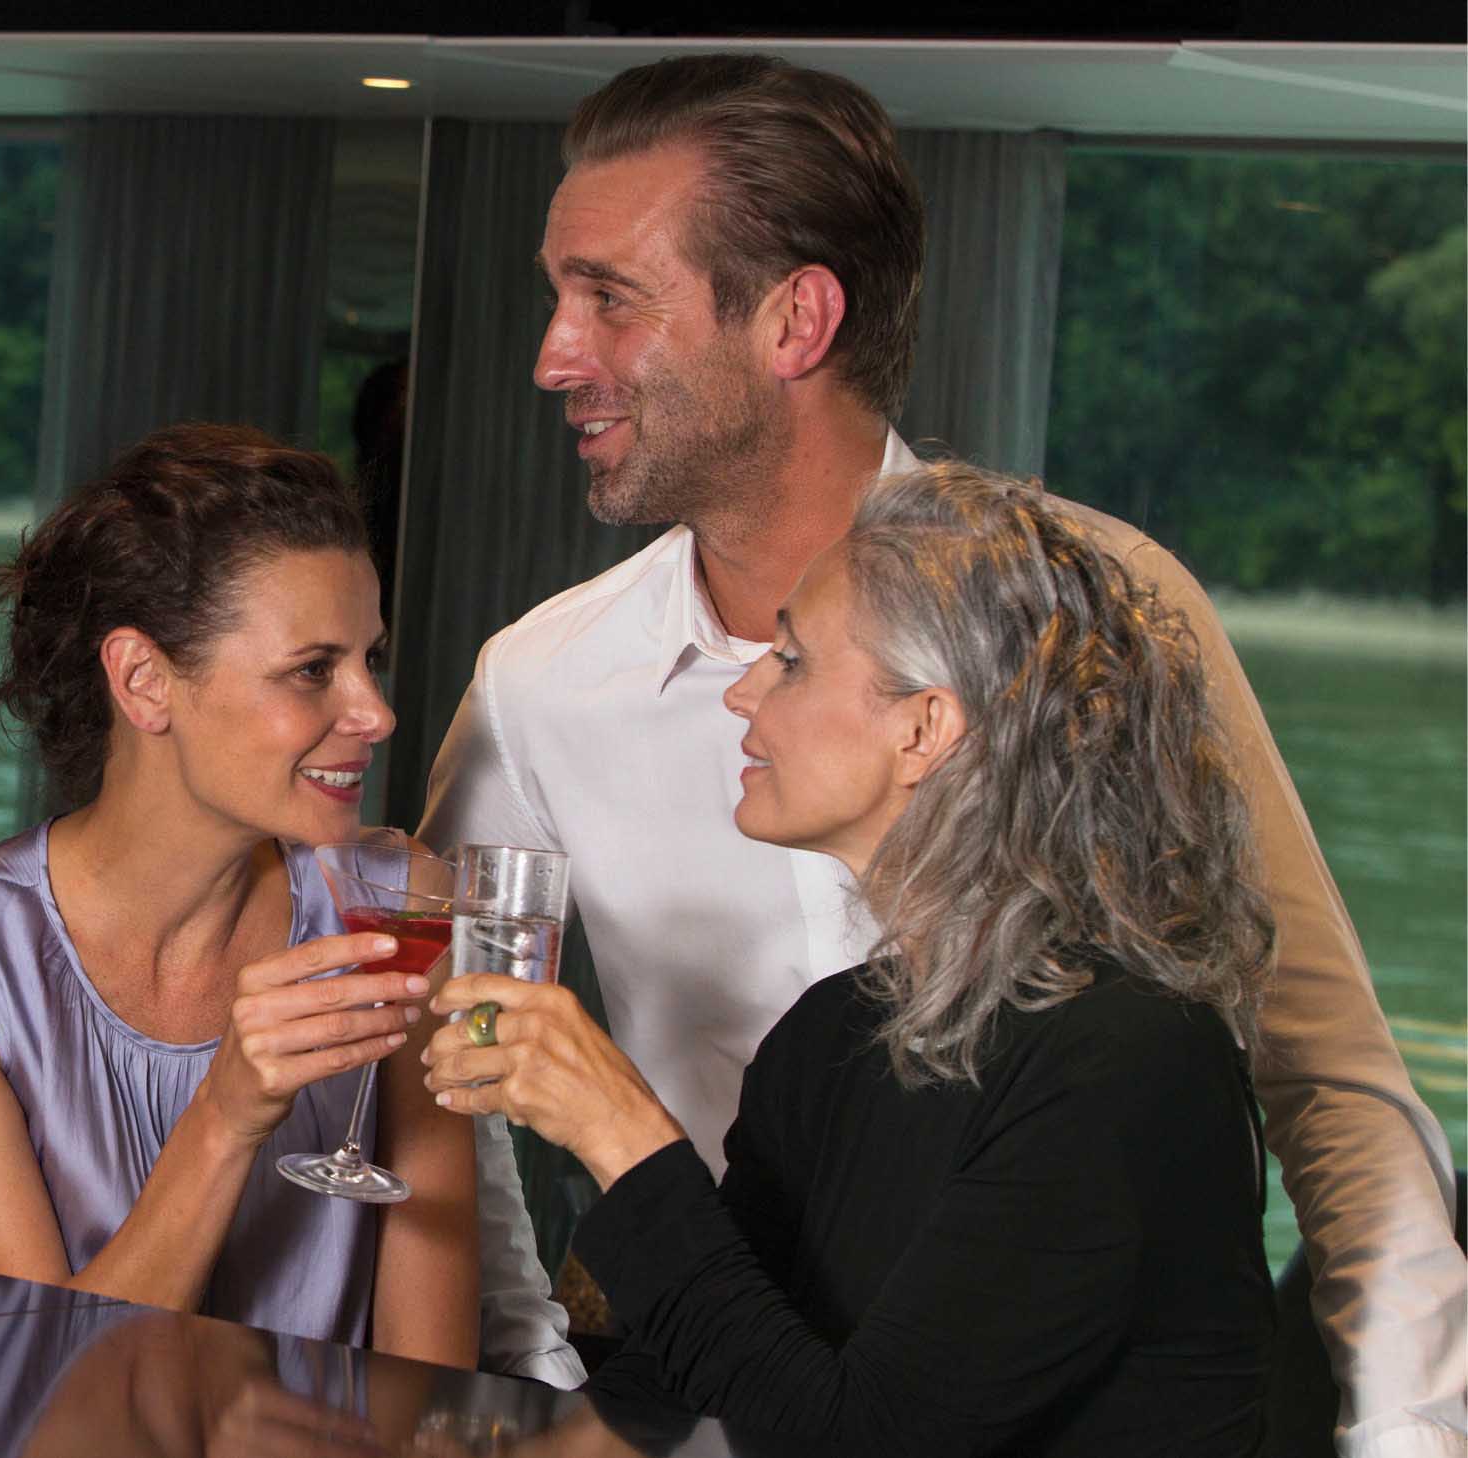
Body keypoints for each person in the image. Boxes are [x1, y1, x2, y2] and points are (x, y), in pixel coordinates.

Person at [417, 54, 1464, 1449]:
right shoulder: (540, 679)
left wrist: (1410, 1441)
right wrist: (531, 1375)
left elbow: (1324, 1072)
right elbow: (449, 1029)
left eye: (608, 294)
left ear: (796, 317)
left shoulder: (1109, 610)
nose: (554, 351)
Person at [424, 463, 1277, 1452]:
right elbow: (687, 1391)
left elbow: (855, 1441)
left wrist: (618, 1131)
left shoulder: (1126, 1061)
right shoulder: (833, 1031)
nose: (742, 692)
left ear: (922, 730)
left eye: (789, 659)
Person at [0, 424, 506, 1369]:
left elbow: (428, 1379)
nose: (375, 713)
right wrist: (225, 1118)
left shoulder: (399, 908)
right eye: (313, 670)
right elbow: (25, 1392)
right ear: (144, 681)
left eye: (369, 658)